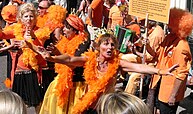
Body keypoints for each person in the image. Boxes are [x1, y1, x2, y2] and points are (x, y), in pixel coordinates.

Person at [37, 33, 178, 114]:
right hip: (88, 105)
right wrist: (52, 58)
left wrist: (160, 71)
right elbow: (70, 59)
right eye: (106, 44)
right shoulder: (89, 59)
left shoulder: (117, 64)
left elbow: (139, 68)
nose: (109, 47)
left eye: (112, 45)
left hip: (105, 107)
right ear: (98, 47)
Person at [0, 3, 54, 111]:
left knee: (39, 104)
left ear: (35, 17)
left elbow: (40, 49)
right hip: (21, 71)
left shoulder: (41, 30)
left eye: (31, 16)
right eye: (26, 16)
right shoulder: (16, 29)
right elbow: (2, 35)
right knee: (20, 104)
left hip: (36, 71)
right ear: (21, 18)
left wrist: (32, 39)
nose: (29, 19)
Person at [145, 8, 193, 114]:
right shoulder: (168, 38)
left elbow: (181, 74)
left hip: (169, 90)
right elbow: (156, 55)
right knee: (157, 111)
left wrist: (173, 95)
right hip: (159, 83)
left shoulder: (182, 46)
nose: (167, 26)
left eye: (170, 25)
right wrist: (146, 45)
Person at [39, 14, 90, 114]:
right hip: (62, 82)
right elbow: (66, 58)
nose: (63, 30)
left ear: (75, 30)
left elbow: (72, 62)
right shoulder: (65, 40)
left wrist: (53, 57)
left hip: (76, 86)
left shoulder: (83, 43)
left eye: (67, 28)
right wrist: (57, 52)